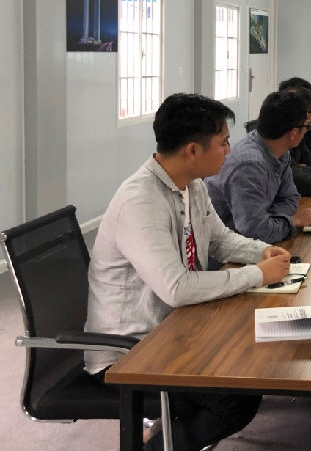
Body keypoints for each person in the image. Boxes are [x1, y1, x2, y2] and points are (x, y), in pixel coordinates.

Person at [84, 93, 292, 451]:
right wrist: (258, 274)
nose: (229, 150)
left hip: (175, 328)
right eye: (223, 142)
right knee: (235, 396)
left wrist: (261, 251)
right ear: (193, 150)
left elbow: (219, 239)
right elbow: (177, 288)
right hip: (132, 350)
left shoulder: (190, 183)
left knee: (247, 362)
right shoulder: (141, 201)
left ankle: (164, 435)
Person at [206, 89, 311, 243]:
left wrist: (270, 219)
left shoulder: (281, 152)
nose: (307, 130)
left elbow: (290, 198)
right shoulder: (249, 164)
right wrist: (294, 221)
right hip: (224, 248)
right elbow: (255, 231)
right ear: (293, 133)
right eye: (307, 126)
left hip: (248, 240)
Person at [278, 77, 311, 197]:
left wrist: (302, 168)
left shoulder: (299, 133)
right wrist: (304, 169)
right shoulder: (281, 135)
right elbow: (306, 182)